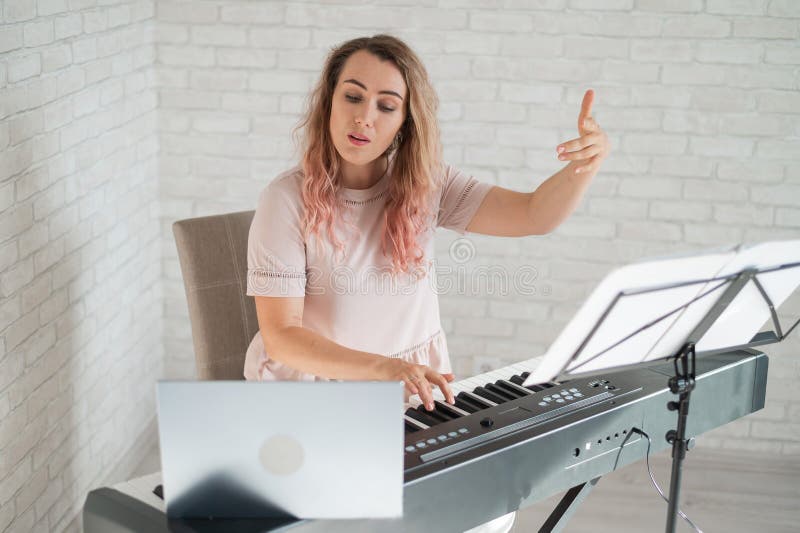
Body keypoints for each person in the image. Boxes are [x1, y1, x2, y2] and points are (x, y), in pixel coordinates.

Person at [243, 34, 610, 533]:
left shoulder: (426, 184)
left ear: (403, 123)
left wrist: (584, 165)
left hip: (411, 399)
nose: (363, 118)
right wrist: (384, 368)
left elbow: (533, 213)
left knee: (491, 515)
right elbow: (281, 335)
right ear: (328, 101)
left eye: (386, 106)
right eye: (352, 96)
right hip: (318, 403)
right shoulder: (284, 201)